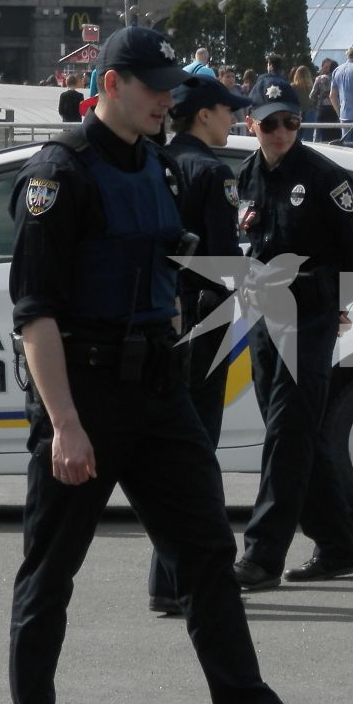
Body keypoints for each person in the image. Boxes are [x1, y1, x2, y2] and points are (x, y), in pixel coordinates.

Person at [6, 25, 347, 704]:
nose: (170, 98)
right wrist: (63, 424)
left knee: (206, 557)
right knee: (51, 571)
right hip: (85, 395)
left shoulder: (157, 169)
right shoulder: (60, 175)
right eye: (155, 85)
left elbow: (180, 268)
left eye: (171, 86)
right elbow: (35, 315)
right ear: (113, 85)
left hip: (158, 390)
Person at [231, 82, 353, 592]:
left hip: (308, 317)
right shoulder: (248, 175)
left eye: (290, 123)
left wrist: (336, 306)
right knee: (299, 432)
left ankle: (261, 557)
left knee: (286, 435)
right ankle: (338, 546)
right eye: (270, 123)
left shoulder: (323, 176)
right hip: (265, 317)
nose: (280, 133)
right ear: (252, 124)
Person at [144, 71, 253, 618]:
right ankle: (182, 581)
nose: (233, 119)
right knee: (196, 452)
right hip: (207, 319)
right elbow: (221, 260)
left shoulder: (156, 162)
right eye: (227, 110)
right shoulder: (213, 171)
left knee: (170, 454)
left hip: (160, 317)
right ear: (204, 114)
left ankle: (168, 579)